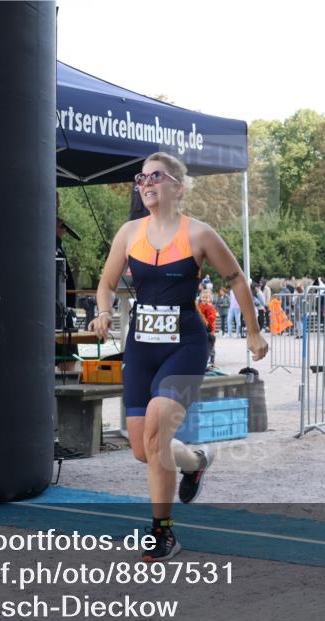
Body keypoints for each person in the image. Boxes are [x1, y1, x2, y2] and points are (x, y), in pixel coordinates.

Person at [88, 152, 268, 561]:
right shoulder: (129, 232)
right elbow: (106, 282)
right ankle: (196, 461)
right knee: (143, 448)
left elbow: (236, 278)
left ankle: (163, 532)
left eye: (156, 175)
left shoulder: (199, 234)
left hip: (185, 345)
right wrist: (102, 310)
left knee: (155, 433)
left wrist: (254, 331)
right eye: (141, 177)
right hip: (141, 347)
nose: (146, 182)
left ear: (177, 187)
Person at [55, 193, 82, 371]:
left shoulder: (55, 240)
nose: (56, 207)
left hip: (63, 310)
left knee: (69, 361)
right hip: (49, 310)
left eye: (57, 204)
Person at [197, 290, 218, 368]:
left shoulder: (211, 307)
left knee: (211, 345)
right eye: (203, 297)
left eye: (207, 297)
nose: (205, 299)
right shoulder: (199, 306)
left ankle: (212, 361)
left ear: (210, 298)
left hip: (209, 328)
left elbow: (212, 317)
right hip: (201, 329)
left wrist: (207, 322)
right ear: (201, 298)